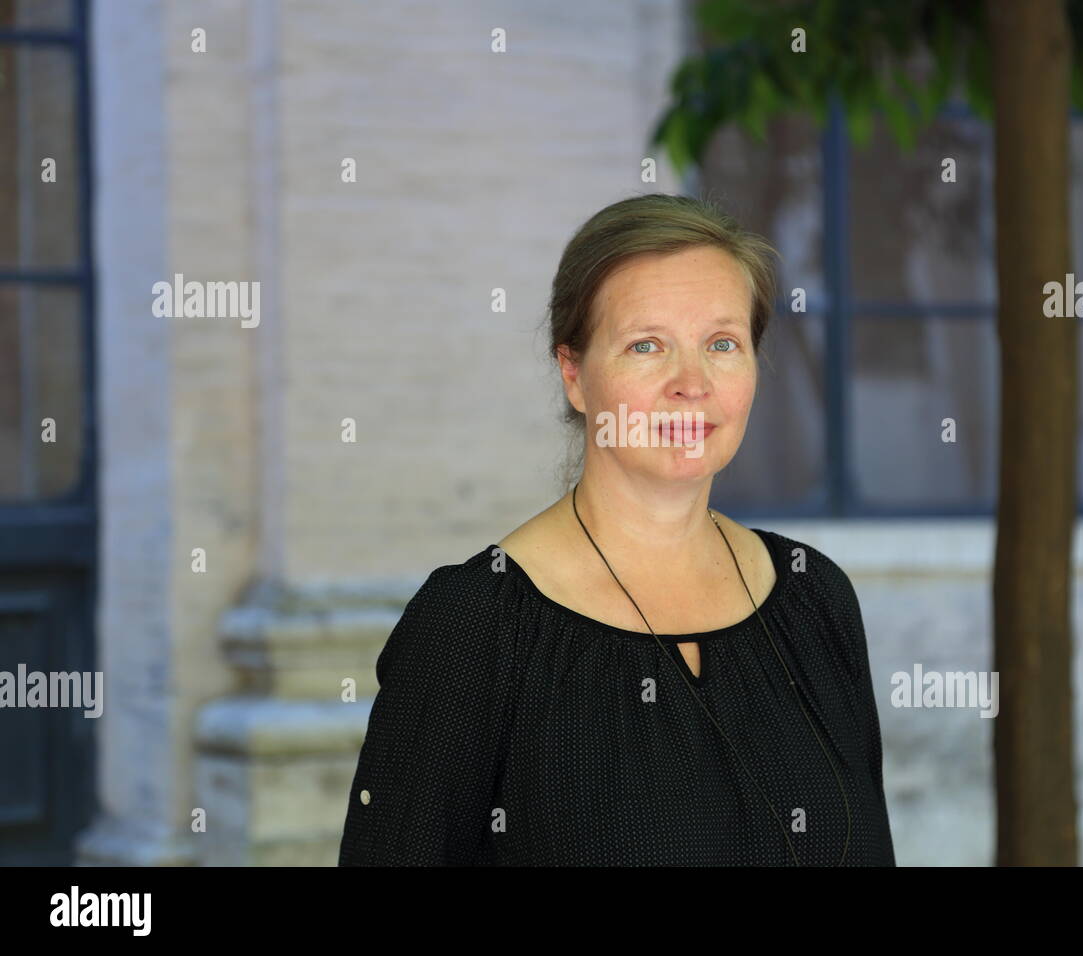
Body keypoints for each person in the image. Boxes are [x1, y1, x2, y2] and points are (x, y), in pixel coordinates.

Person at [338, 193, 895, 865]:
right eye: (646, 345)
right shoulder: (474, 629)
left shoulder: (815, 601)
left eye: (721, 343)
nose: (691, 383)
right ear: (574, 374)